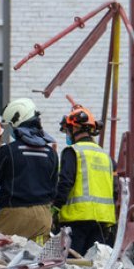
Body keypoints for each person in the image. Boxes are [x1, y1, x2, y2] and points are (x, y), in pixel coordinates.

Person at [0, 98, 58, 244]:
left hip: (15, 213)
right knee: (35, 260)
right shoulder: (51, 153)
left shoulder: (7, 151)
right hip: (43, 215)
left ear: (17, 123)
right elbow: (54, 188)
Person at [52, 105, 117, 255]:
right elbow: (115, 190)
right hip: (102, 222)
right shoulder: (106, 157)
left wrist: (55, 208)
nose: (68, 134)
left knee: (73, 266)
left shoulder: (73, 152)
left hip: (77, 221)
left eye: (68, 129)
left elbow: (65, 183)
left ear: (75, 129)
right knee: (94, 266)